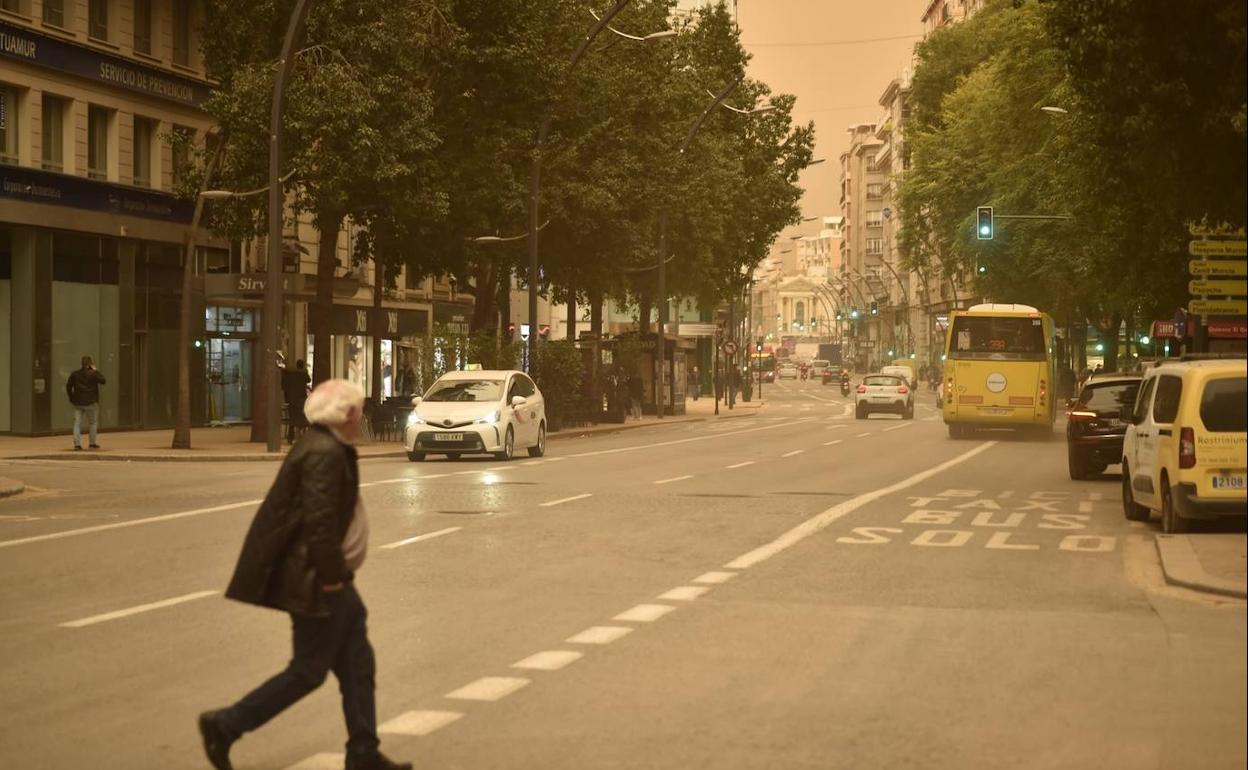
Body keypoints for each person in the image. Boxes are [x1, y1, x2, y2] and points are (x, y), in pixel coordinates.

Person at [198, 380, 411, 770]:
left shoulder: (327, 446)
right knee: (308, 671)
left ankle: (363, 751)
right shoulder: (325, 452)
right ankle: (226, 724)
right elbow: (320, 520)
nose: (361, 417)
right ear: (347, 415)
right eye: (358, 410)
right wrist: (330, 577)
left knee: (357, 663)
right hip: (320, 579)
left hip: (330, 577)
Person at [65, 355, 106, 450]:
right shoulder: (93, 374)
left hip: (78, 402)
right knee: (92, 423)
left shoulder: (75, 374)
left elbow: (68, 386)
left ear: (82, 364)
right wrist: (95, 370)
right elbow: (103, 380)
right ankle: (92, 443)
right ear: (90, 364)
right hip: (91, 402)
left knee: (77, 423)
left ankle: (77, 445)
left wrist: (71, 398)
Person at [282, 360, 312, 443]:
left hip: (292, 399)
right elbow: (308, 380)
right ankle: (303, 436)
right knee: (303, 417)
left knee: (292, 418)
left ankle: (290, 437)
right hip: (301, 399)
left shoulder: (291, 374)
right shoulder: (303, 374)